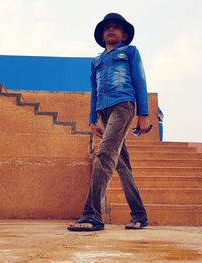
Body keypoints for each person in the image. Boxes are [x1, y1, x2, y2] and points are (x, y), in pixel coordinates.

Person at [68, 13, 151, 231]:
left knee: (104, 154)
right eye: (107, 28)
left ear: (124, 35)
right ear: (102, 35)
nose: (111, 30)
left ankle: (92, 215)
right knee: (122, 165)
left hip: (123, 105)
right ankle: (139, 215)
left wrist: (143, 114)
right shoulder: (96, 61)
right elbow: (94, 91)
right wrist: (92, 119)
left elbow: (139, 81)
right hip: (104, 112)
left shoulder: (130, 52)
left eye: (116, 27)